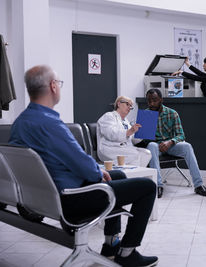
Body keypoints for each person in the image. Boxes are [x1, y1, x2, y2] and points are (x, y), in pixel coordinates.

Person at [9, 65, 158, 267]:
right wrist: (98, 171)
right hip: (71, 198)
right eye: (59, 84)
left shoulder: (21, 122)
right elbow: (84, 165)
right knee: (147, 187)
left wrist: (101, 171)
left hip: (40, 197)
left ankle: (111, 244)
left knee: (117, 176)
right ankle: (128, 253)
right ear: (53, 86)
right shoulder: (50, 123)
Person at [144, 88, 206, 198]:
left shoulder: (172, 113)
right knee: (151, 146)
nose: (151, 103)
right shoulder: (146, 114)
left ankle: (198, 185)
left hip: (171, 145)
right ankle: (158, 185)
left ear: (161, 99)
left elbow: (181, 135)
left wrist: (170, 142)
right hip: (156, 146)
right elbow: (144, 140)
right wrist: (144, 133)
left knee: (187, 146)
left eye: (154, 100)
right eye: (149, 101)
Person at [97, 96, 151, 166]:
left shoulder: (126, 121)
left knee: (146, 153)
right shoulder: (108, 116)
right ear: (119, 104)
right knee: (134, 155)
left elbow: (131, 139)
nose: (129, 108)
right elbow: (111, 134)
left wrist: (141, 133)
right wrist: (130, 131)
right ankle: (132, 175)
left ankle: (135, 174)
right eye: (127, 104)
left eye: (131, 106)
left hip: (124, 148)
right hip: (109, 148)